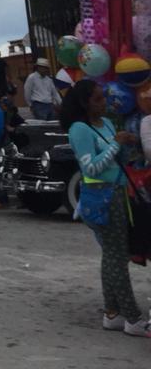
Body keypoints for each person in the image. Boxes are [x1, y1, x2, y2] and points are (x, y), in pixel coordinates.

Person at [62, 77, 149, 336]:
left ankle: (112, 313)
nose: (104, 103)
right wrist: (115, 144)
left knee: (113, 255)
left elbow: (115, 159)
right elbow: (92, 167)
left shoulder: (109, 123)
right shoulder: (79, 129)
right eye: (98, 99)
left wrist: (127, 144)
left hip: (119, 192)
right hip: (101, 197)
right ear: (84, 103)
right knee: (117, 256)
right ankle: (132, 317)